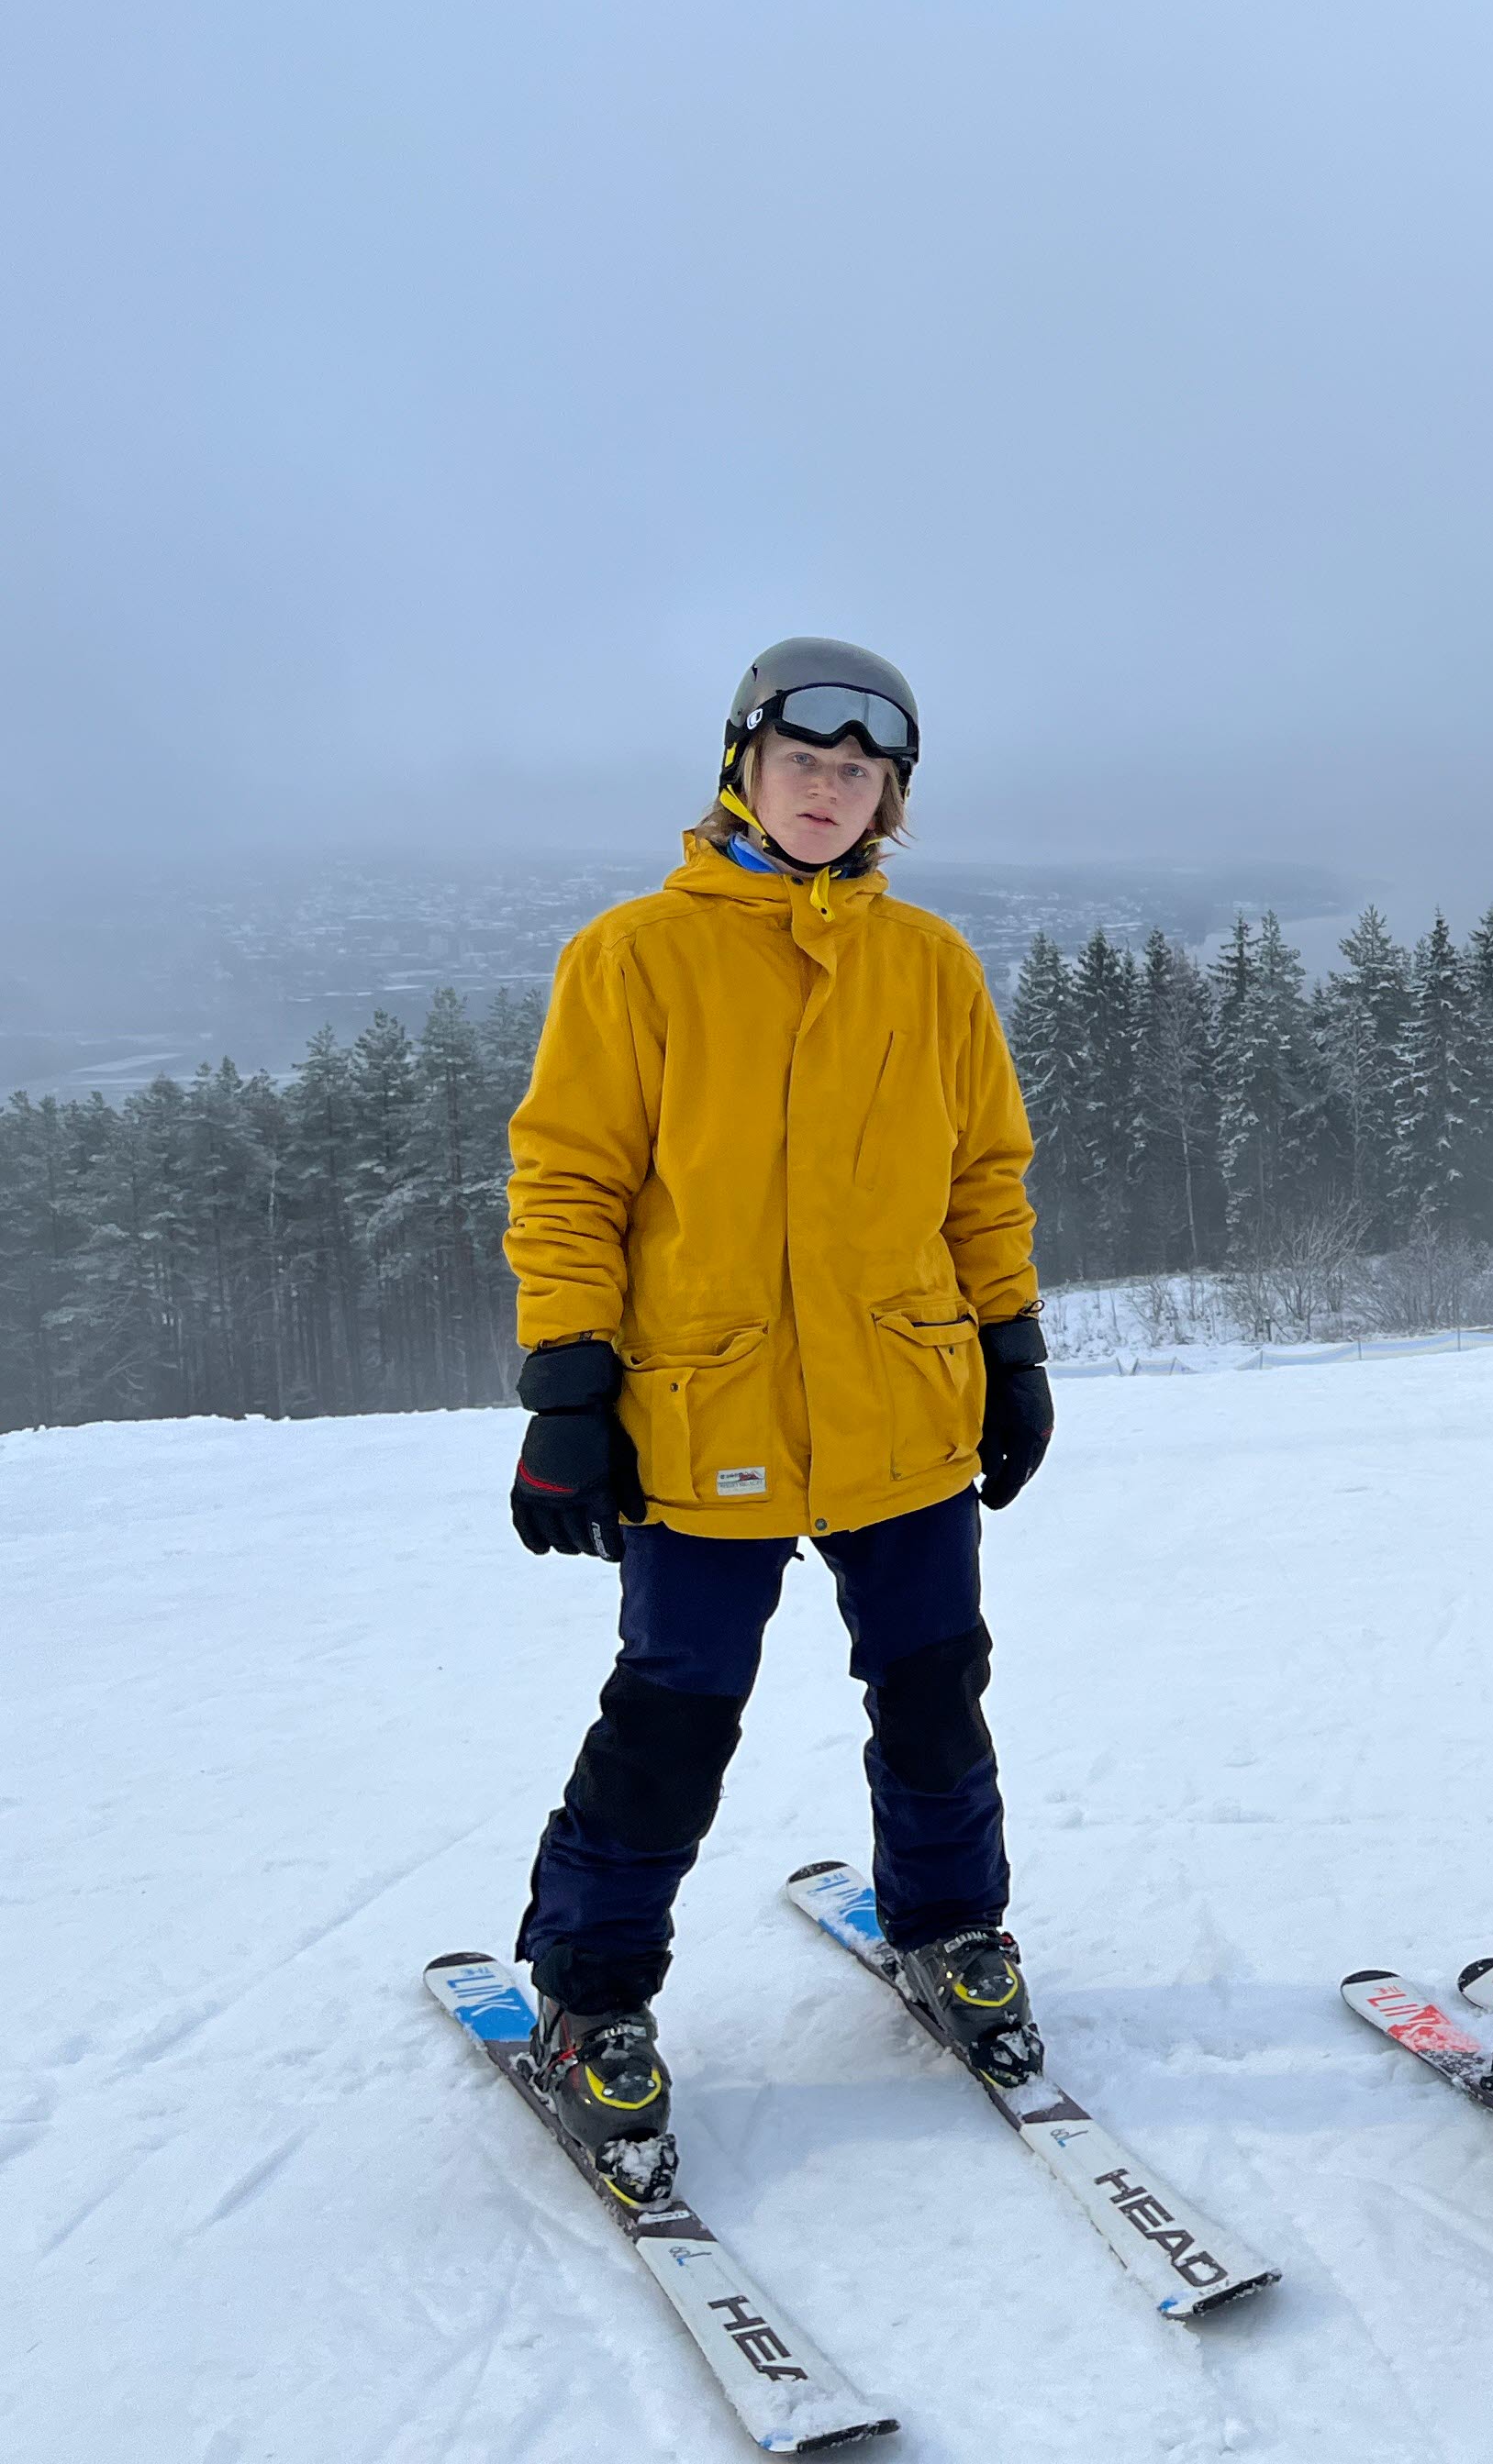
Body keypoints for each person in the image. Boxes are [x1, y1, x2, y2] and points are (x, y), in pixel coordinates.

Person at [500, 637, 1057, 2202]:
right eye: (803, 762)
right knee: (675, 1715)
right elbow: (572, 1185)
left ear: (890, 798)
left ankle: (953, 1926)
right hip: (702, 1413)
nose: (828, 790)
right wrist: (568, 1387)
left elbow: (982, 1179)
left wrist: (1010, 1348)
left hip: (903, 1407)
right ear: (743, 766)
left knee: (937, 1689)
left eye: (859, 771)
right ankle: (592, 1995)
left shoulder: (927, 965)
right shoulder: (637, 956)